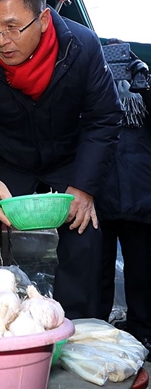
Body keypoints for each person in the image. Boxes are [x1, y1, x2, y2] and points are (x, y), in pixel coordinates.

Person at [0, 0, 122, 319]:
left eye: (12, 27)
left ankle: (75, 332)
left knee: (86, 240)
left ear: (42, 19)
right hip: (5, 162)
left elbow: (104, 119)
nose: (1, 40)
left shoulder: (82, 46)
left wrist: (84, 187)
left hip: (68, 162)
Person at [97, 39, 151, 357]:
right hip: (99, 197)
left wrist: (143, 83)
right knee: (98, 270)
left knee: (142, 271)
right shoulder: (91, 86)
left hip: (141, 197)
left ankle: (143, 331)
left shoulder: (144, 85)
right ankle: (98, 330)